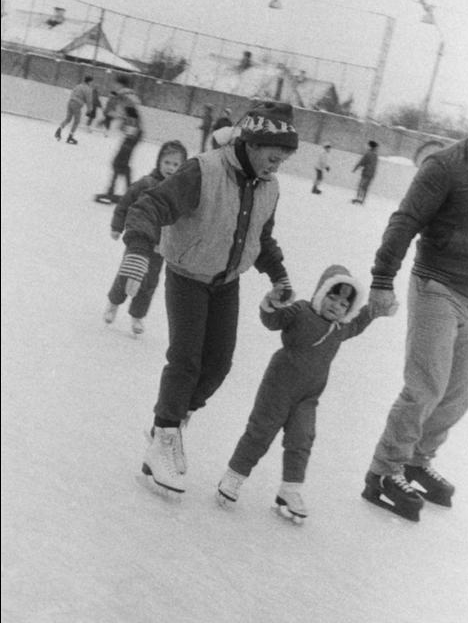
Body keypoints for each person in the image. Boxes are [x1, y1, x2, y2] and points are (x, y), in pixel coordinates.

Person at [362, 79, 468, 522]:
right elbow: (405, 221)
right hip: (437, 284)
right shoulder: (446, 165)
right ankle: (384, 471)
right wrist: (383, 279)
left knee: (458, 393)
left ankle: (418, 459)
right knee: (426, 387)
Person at [120, 101, 299, 495]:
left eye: (284, 157)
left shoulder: (269, 186)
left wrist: (279, 275)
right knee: (186, 359)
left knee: (218, 365)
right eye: (273, 154)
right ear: (251, 142)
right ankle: (164, 437)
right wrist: (136, 249)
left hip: (227, 282)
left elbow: (261, 237)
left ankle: (168, 423)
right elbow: (152, 206)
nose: (278, 163)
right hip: (187, 274)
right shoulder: (203, 170)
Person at [217, 265, 381, 522]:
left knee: (302, 439)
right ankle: (234, 476)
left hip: (308, 397)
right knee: (260, 432)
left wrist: (374, 309)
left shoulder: (340, 329)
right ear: (320, 292)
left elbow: (358, 324)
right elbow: (273, 321)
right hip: (278, 386)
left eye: (343, 304)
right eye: (332, 297)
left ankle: (289, 490)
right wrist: (272, 304)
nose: (336, 306)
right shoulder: (302, 310)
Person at [103, 141, 188, 335]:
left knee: (149, 282)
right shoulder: (146, 183)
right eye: (167, 162)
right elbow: (125, 203)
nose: (170, 168)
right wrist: (117, 225)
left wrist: (174, 244)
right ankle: (114, 303)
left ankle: (137, 315)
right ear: (159, 161)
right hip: (139, 240)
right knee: (128, 272)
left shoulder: (179, 192)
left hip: (160, 246)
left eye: (176, 165)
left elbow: (181, 221)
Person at [94, 105, 142, 203]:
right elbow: (126, 130)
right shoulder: (134, 122)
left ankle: (118, 191)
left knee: (120, 168)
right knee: (124, 170)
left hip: (125, 150)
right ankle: (127, 192)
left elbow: (127, 131)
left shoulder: (132, 122)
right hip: (126, 150)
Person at [54, 76, 94, 144]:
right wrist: (90, 110)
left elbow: (72, 93)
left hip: (70, 102)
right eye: (92, 82)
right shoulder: (88, 89)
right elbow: (89, 100)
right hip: (77, 104)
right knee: (76, 121)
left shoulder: (78, 86)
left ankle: (59, 130)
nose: (92, 83)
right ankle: (70, 137)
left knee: (68, 119)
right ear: (89, 81)